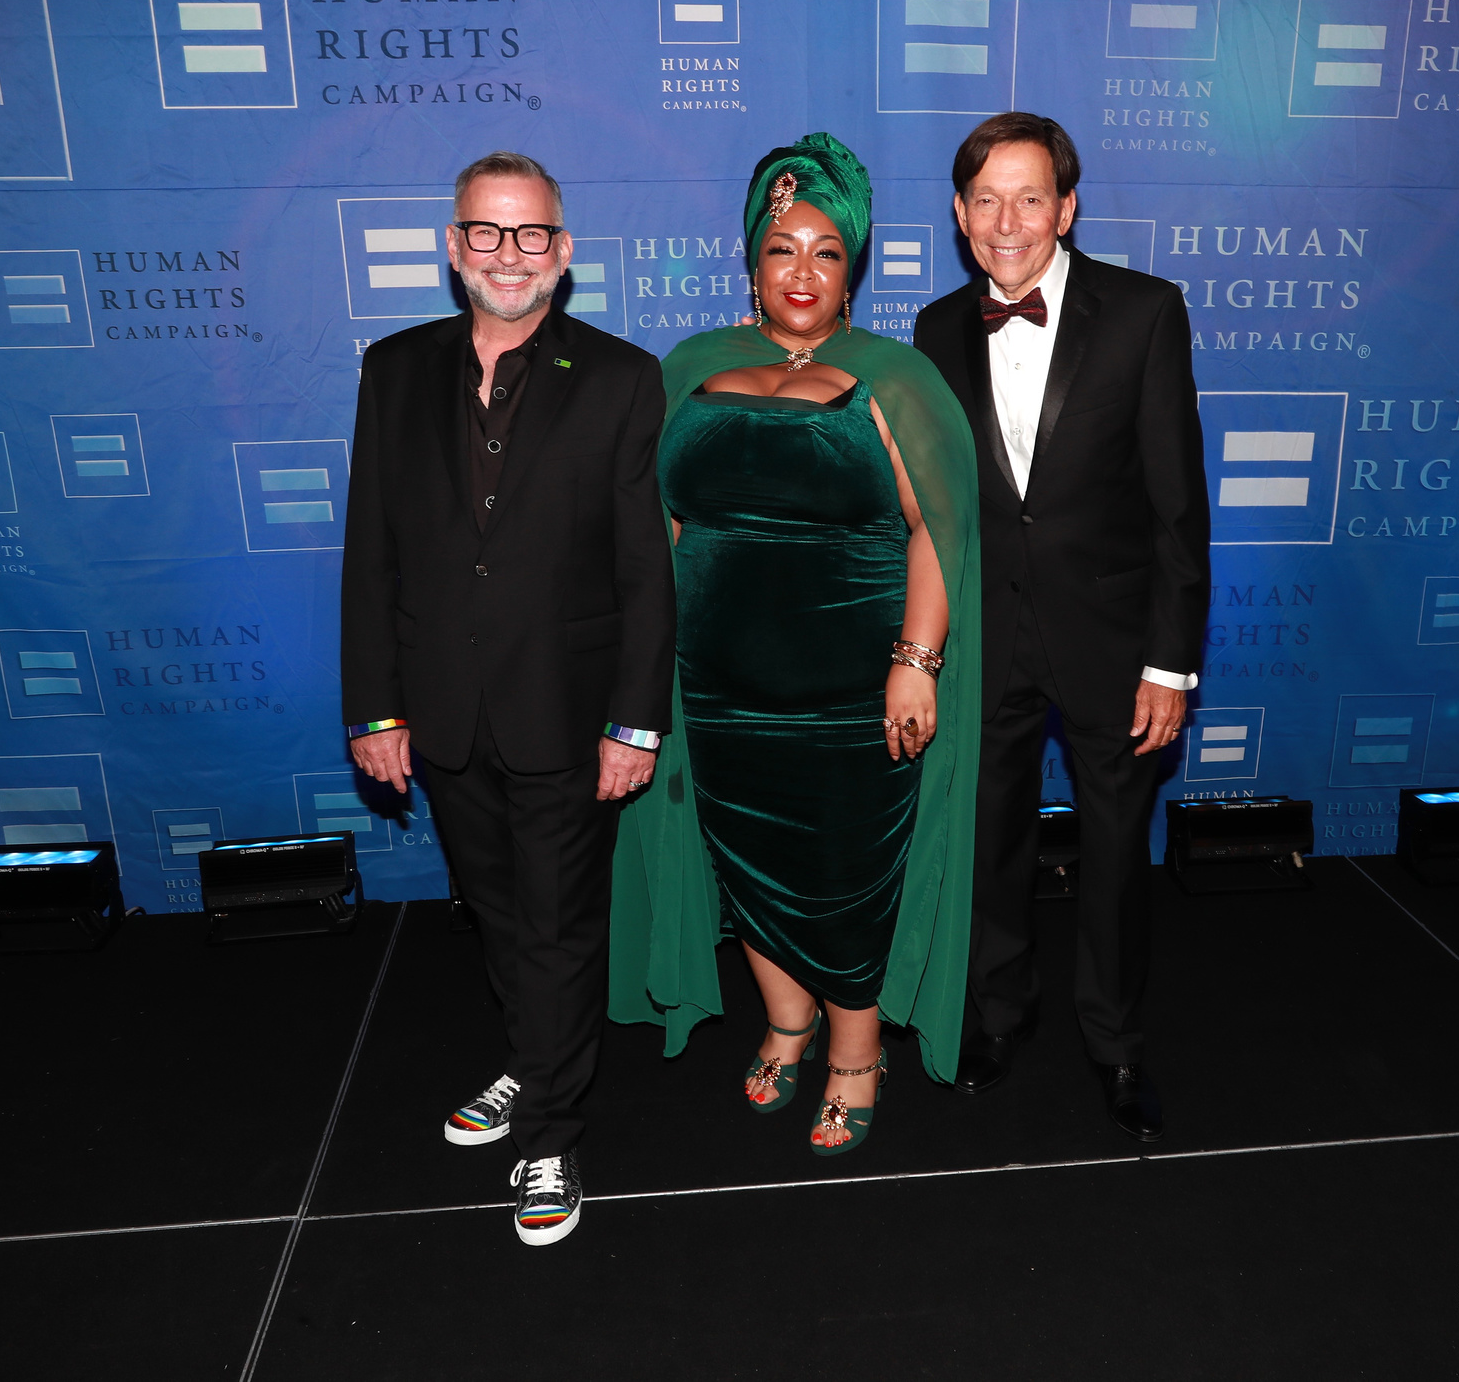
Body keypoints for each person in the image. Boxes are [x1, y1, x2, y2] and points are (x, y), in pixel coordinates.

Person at [607, 134, 981, 1155]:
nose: (802, 272)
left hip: (851, 692)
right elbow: (654, 531)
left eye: (826, 251)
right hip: (716, 689)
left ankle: (856, 1052)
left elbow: (936, 531)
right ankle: (786, 1021)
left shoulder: (896, 378)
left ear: (853, 266)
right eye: (781, 249)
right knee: (743, 863)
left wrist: (915, 663)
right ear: (751, 262)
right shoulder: (689, 370)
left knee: (845, 875)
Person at [340, 151, 674, 1245]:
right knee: (498, 915)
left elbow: (645, 571)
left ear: (563, 252)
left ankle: (550, 1135)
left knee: (561, 926)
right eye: (486, 232)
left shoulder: (622, 378)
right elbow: (370, 551)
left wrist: (634, 721)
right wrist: (376, 708)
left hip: (571, 713)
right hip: (442, 710)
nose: (509, 254)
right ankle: (535, 1062)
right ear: (454, 247)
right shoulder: (394, 370)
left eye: (530, 234)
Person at [912, 113, 1209, 1140]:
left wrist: (1170, 664)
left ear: (1066, 208)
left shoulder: (1143, 312)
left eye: (1029, 198)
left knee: (1116, 856)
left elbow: (1177, 507)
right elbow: (933, 512)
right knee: (987, 843)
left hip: (1113, 643)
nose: (1007, 223)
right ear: (959, 215)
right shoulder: (934, 330)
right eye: (985, 200)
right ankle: (999, 1014)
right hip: (983, 641)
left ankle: (1116, 1043)